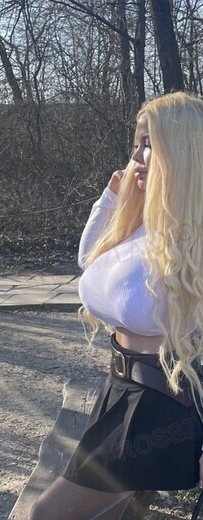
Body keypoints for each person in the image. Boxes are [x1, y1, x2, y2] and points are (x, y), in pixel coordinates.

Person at [30, 91, 203, 520]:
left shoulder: (196, 240)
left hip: (161, 407)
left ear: (182, 153)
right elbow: (90, 262)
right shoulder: (146, 222)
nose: (138, 157)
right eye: (136, 144)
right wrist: (112, 198)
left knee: (48, 516)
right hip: (118, 391)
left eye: (150, 145)